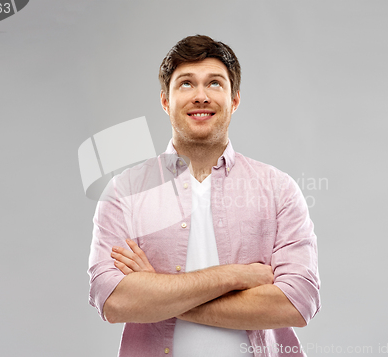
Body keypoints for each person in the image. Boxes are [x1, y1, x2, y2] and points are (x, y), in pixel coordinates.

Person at [88, 35, 321, 357]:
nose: (200, 96)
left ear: (234, 99)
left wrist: (156, 291)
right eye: (186, 84)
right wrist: (237, 275)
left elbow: (298, 302)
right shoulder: (125, 191)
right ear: (165, 101)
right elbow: (114, 302)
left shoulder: (278, 188)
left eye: (214, 83)